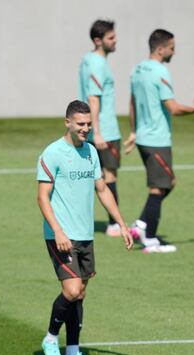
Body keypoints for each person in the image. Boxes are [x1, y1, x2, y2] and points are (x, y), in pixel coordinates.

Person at [37, 100, 133, 355]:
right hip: (61, 236)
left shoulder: (91, 152)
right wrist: (57, 230)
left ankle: (73, 351)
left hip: (85, 235)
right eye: (80, 124)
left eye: (89, 124)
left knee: (81, 294)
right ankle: (51, 339)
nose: (86, 129)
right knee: (72, 289)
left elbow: (102, 189)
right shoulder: (53, 153)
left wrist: (122, 224)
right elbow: (42, 197)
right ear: (67, 122)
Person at [124, 29, 194, 253]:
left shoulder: (137, 69)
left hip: (143, 137)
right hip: (156, 139)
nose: (174, 52)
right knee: (160, 187)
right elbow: (173, 107)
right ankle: (149, 239)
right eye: (172, 47)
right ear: (161, 49)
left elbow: (132, 103)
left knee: (167, 183)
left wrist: (133, 131)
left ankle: (141, 225)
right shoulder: (160, 71)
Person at [79, 19, 122, 237]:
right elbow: (93, 99)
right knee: (108, 175)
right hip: (104, 130)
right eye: (111, 38)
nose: (115, 41)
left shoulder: (88, 60)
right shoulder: (96, 63)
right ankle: (114, 223)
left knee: (89, 176)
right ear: (98, 40)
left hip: (98, 129)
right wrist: (97, 133)